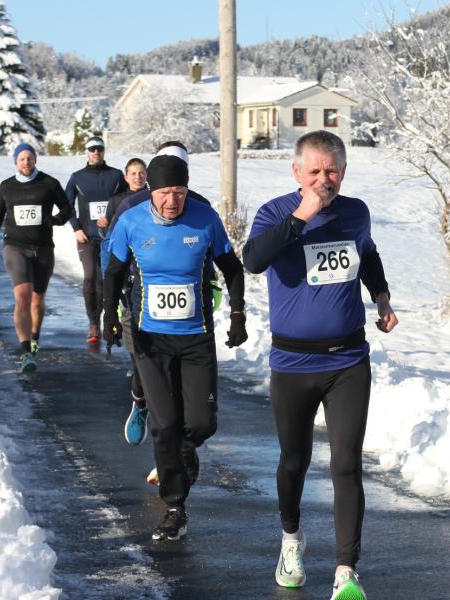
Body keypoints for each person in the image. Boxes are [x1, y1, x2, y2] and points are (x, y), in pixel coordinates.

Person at [242, 130, 397, 600]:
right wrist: (301, 216)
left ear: (344, 172)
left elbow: (366, 253)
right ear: (297, 172)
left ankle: (346, 571)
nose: (323, 180)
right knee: (294, 460)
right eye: (314, 171)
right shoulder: (274, 212)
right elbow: (253, 260)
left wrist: (381, 294)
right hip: (292, 363)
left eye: (332, 171)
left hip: (348, 359)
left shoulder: (355, 212)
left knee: (346, 465)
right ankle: (291, 538)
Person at [101, 154, 248, 541]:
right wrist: (109, 317)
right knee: (165, 424)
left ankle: (182, 451)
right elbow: (114, 272)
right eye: (165, 193)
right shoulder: (131, 221)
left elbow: (231, 268)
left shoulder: (204, 219)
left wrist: (237, 315)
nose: (172, 201)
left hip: (197, 336)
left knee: (200, 423)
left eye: (179, 192)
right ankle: (175, 507)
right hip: (151, 340)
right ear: (151, 190)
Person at [0, 143, 72, 372]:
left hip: (42, 248)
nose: (26, 162)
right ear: (15, 162)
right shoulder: (7, 187)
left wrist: (56, 220)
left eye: (30, 158)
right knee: (22, 296)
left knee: (37, 299)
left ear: (35, 161)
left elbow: (66, 208)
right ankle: (25, 352)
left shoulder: (49, 183)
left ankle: (34, 338)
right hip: (15, 246)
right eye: (22, 159)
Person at [101, 157, 153, 446]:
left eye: (141, 173)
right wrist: (112, 281)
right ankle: (140, 397)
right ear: (126, 175)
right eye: (133, 173)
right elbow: (110, 246)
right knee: (141, 355)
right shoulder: (123, 204)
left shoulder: (186, 203)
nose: (137, 177)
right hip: (133, 288)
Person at [65, 136, 124, 345]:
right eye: (92, 149)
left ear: (104, 151)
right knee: (90, 277)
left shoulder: (116, 176)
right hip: (86, 237)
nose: (96, 152)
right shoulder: (77, 177)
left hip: (110, 236)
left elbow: (126, 201)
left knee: (103, 280)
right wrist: (76, 228)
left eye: (99, 149)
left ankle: (106, 319)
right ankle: (93, 322)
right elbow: (66, 204)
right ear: (87, 152)